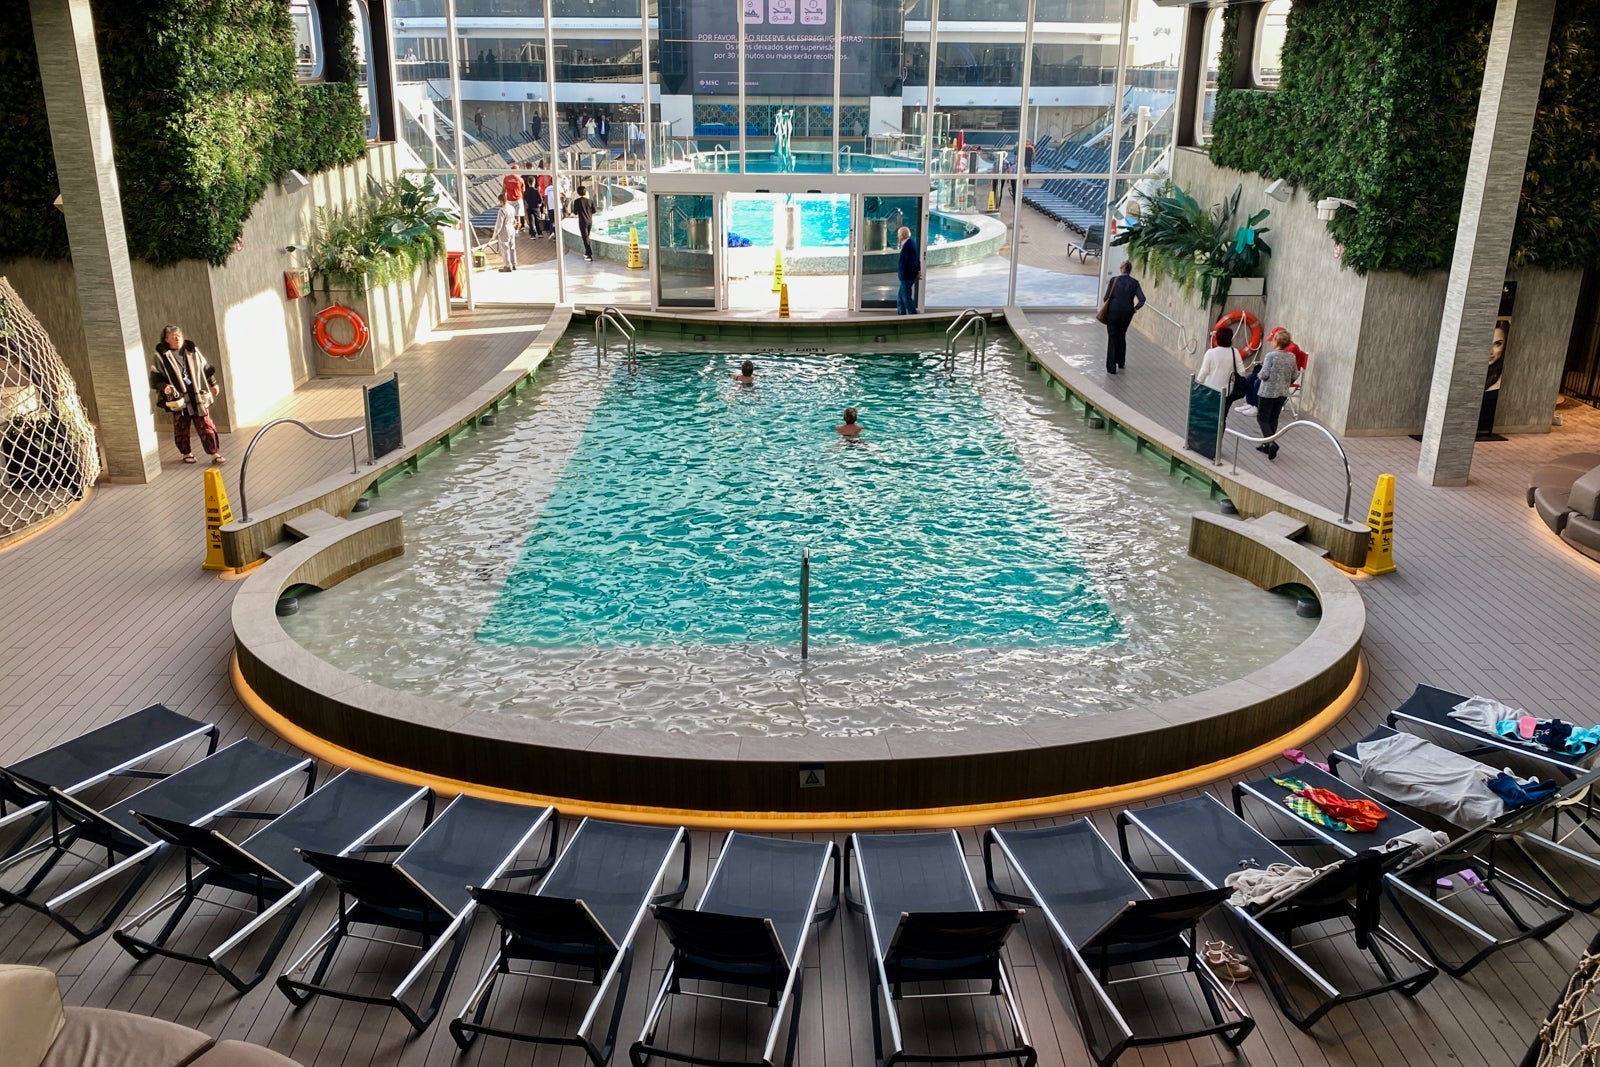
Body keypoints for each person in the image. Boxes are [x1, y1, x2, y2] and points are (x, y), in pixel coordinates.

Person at [149, 325, 223, 465]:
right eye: (172, 337)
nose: (177, 339)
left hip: (196, 394)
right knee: (181, 426)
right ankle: (186, 452)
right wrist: (164, 387)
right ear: (166, 340)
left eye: (178, 335)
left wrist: (213, 383)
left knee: (206, 424)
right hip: (178, 398)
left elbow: (205, 367)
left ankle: (214, 453)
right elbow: (155, 376)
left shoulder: (191, 350)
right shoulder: (161, 355)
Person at [1254, 330, 1298, 460]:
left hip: (1268, 392)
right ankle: (1267, 445)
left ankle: (1271, 443)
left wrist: (1257, 374)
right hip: (1282, 392)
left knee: (1262, 418)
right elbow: (1295, 375)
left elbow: (1264, 374)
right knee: (1273, 419)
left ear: (1276, 342)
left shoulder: (1271, 356)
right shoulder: (1291, 357)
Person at [1101, 260, 1146, 374]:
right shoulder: (1134, 283)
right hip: (1127, 313)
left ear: (1121, 268)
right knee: (1122, 335)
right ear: (1130, 270)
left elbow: (1106, 298)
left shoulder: (1114, 280)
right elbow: (1142, 300)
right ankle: (1121, 362)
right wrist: (1134, 309)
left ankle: (1111, 368)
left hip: (1113, 312)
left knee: (1112, 337)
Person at [1196, 324, 1247, 396]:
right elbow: (1242, 371)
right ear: (1230, 339)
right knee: (1224, 406)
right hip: (1226, 391)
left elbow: (1204, 372)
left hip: (1210, 389)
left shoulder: (1210, 353)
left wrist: (1197, 385)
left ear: (1217, 339)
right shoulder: (1234, 352)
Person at [895, 225, 920, 315]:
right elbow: (917, 259)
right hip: (907, 276)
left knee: (906, 298)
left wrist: (916, 272)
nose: (897, 236)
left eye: (898, 234)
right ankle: (901, 315)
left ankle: (913, 316)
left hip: (907, 277)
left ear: (902, 235)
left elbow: (912, 262)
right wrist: (918, 271)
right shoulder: (910, 243)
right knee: (900, 298)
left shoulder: (908, 246)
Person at [491, 192, 518, 271]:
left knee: (505, 248)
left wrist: (494, 234)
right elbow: (514, 219)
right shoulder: (511, 208)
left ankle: (508, 265)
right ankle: (514, 264)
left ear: (501, 201)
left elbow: (499, 224)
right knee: (512, 247)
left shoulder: (502, 210)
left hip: (505, 229)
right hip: (511, 228)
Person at [572, 184, 595, 260]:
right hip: (590, 221)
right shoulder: (590, 201)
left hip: (582, 221)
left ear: (578, 193)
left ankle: (589, 255)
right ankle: (586, 252)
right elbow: (594, 211)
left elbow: (575, 212)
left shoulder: (577, 201)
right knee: (587, 237)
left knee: (585, 238)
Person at [502, 163, 525, 231]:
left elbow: (503, 189)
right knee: (518, 217)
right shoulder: (520, 179)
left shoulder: (506, 178)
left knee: (510, 216)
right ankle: (516, 231)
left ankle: (510, 230)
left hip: (509, 200)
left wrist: (502, 200)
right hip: (518, 199)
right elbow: (523, 191)